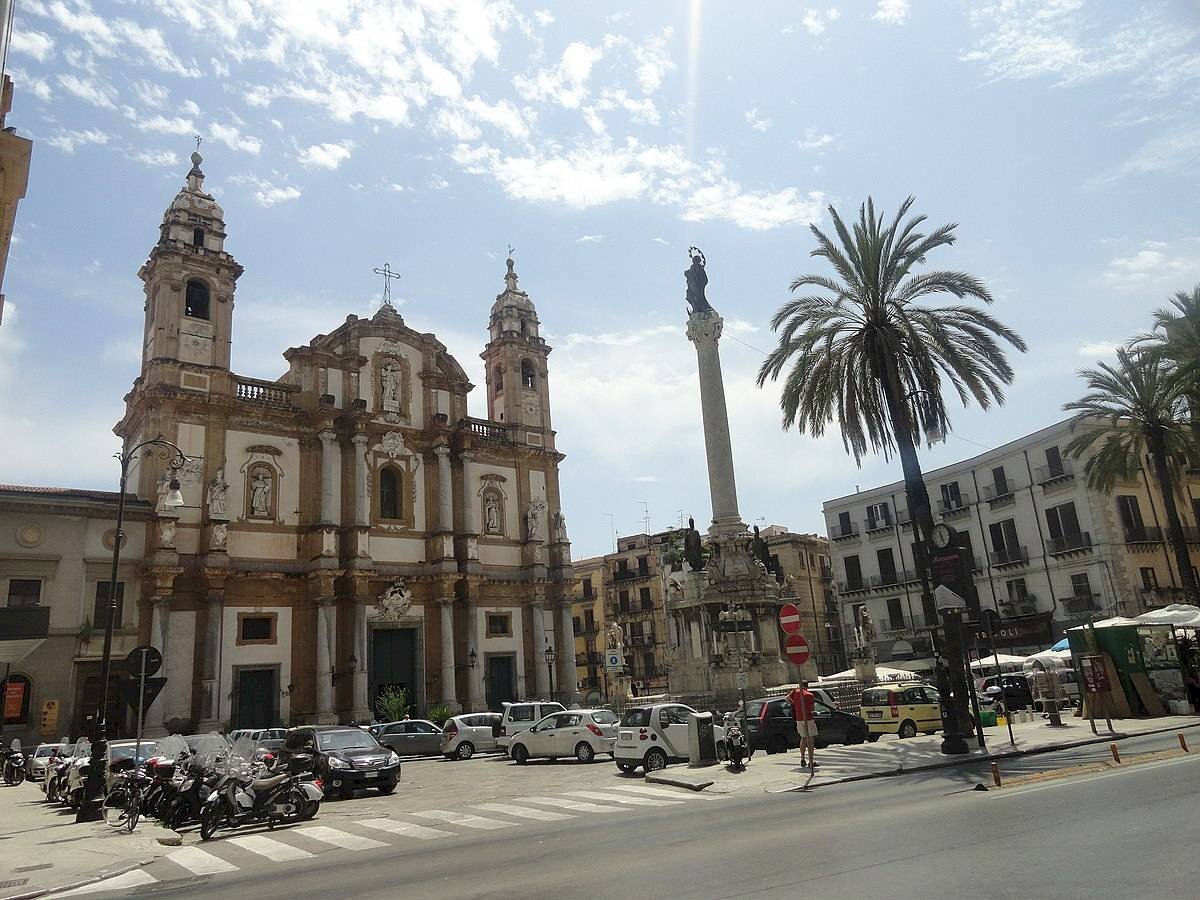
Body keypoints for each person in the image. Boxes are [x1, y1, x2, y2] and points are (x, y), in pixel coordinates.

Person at [790, 680, 818, 770]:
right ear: (807, 686)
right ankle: (811, 760)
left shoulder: (795, 691)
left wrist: (794, 704)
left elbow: (786, 698)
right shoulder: (810, 695)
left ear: (800, 685)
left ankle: (802, 759)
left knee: (803, 738)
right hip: (808, 718)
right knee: (810, 739)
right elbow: (812, 708)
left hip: (799, 719)